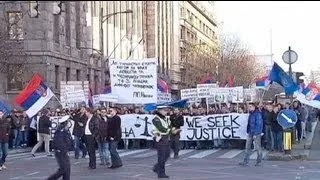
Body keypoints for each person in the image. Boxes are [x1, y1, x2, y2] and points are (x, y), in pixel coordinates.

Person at [47, 115, 74, 180]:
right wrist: (65, 150)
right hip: (61, 152)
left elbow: (68, 140)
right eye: (68, 121)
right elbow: (59, 142)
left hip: (64, 151)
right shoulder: (60, 130)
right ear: (66, 122)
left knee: (67, 169)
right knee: (64, 169)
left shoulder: (65, 130)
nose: (69, 123)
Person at [152, 106, 174, 178]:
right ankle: (161, 173)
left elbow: (170, 127)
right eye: (164, 110)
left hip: (166, 138)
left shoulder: (165, 118)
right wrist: (169, 130)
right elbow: (161, 129)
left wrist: (169, 129)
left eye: (166, 110)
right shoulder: (156, 119)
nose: (166, 112)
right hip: (160, 138)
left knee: (167, 154)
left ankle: (157, 167)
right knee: (161, 156)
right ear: (160, 111)